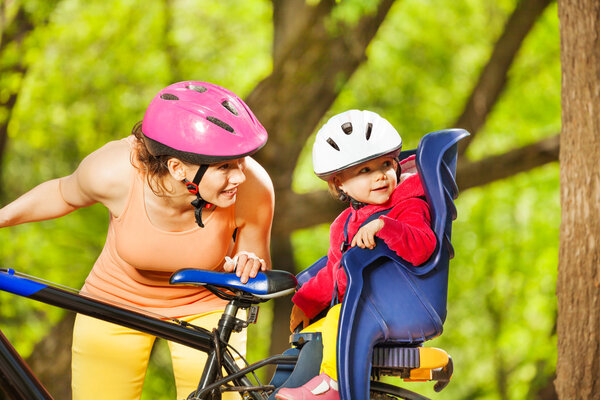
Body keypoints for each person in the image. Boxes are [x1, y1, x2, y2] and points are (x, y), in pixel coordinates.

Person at [0, 81, 275, 400]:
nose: (241, 175)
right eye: (225, 166)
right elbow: (62, 193)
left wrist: (248, 263)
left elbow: (254, 257)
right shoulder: (114, 172)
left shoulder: (253, 188)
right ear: (177, 167)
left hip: (206, 303)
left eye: (240, 161)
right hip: (115, 297)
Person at [275, 110, 437, 400]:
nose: (380, 176)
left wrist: (387, 226)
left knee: (339, 318)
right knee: (308, 339)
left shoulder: (408, 205)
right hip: (361, 307)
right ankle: (278, 389)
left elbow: (423, 246)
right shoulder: (343, 224)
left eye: (386, 164)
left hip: (396, 306)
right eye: (365, 171)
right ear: (339, 184)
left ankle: (331, 388)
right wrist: (306, 302)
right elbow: (334, 272)